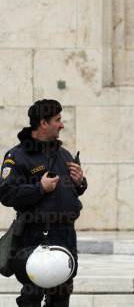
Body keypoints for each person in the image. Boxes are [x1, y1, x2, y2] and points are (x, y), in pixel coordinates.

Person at [0, 99, 87, 307]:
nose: (62, 124)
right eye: (57, 120)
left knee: (61, 297)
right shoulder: (18, 156)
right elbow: (6, 193)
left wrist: (80, 182)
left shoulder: (63, 154)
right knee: (32, 296)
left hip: (65, 235)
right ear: (43, 123)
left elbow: (73, 191)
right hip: (35, 237)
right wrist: (40, 188)